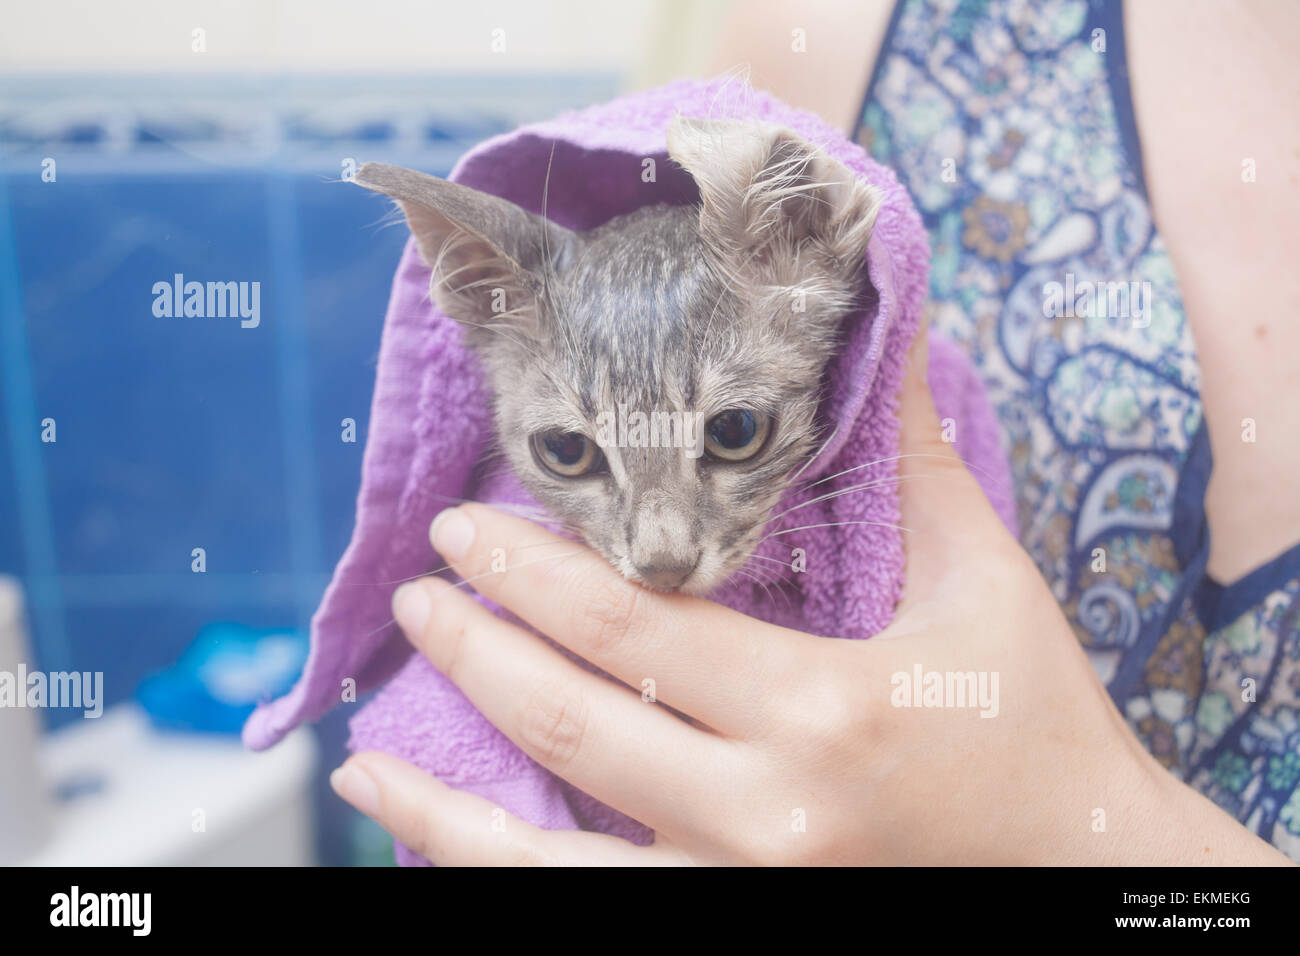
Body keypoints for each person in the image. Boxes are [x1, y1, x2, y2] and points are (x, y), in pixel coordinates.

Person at [328, 0, 1299, 864]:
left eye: (734, 429)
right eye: (572, 453)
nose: (660, 548)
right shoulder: (840, 29)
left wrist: (1069, 826)